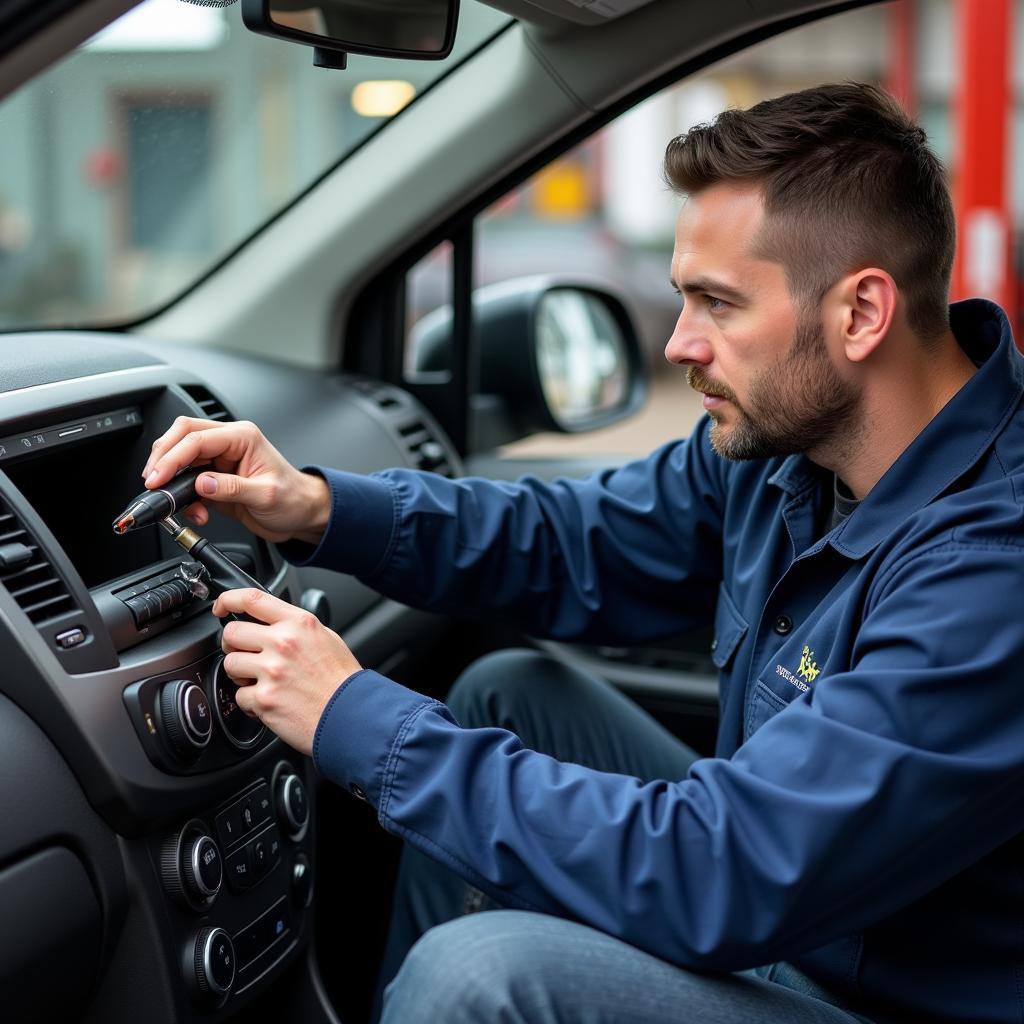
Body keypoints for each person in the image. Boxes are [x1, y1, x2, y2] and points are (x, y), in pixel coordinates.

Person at [143, 82, 1024, 1024]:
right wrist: (318, 508)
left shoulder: (992, 571)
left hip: (876, 996)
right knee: (507, 695)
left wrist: (357, 717)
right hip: (796, 929)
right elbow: (572, 542)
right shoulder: (793, 450)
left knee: (480, 978)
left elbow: (724, 870)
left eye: (717, 304)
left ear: (860, 315)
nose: (680, 342)